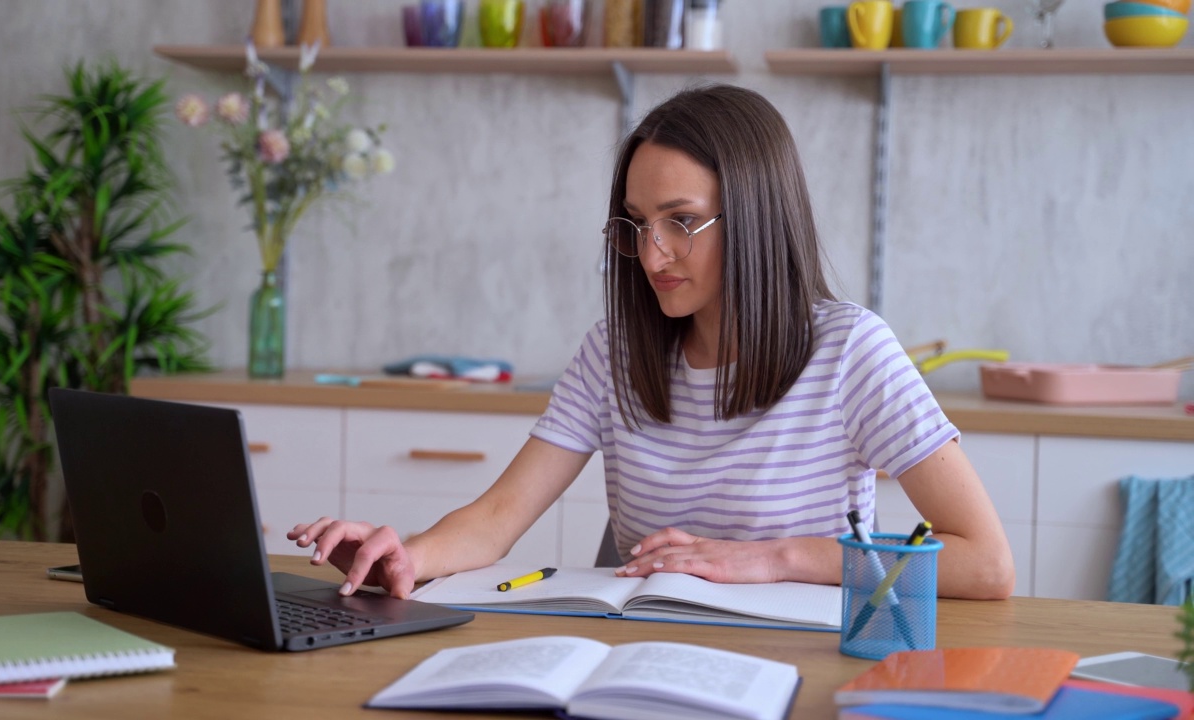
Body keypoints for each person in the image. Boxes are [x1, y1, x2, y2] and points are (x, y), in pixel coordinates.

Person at [289, 83, 1015, 602]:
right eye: (636, 224)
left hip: (798, 661)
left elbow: (985, 563)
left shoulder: (851, 349)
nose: (653, 253)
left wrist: (776, 560)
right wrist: (404, 556)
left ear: (757, 217)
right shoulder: (613, 351)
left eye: (681, 220)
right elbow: (495, 520)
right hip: (641, 654)